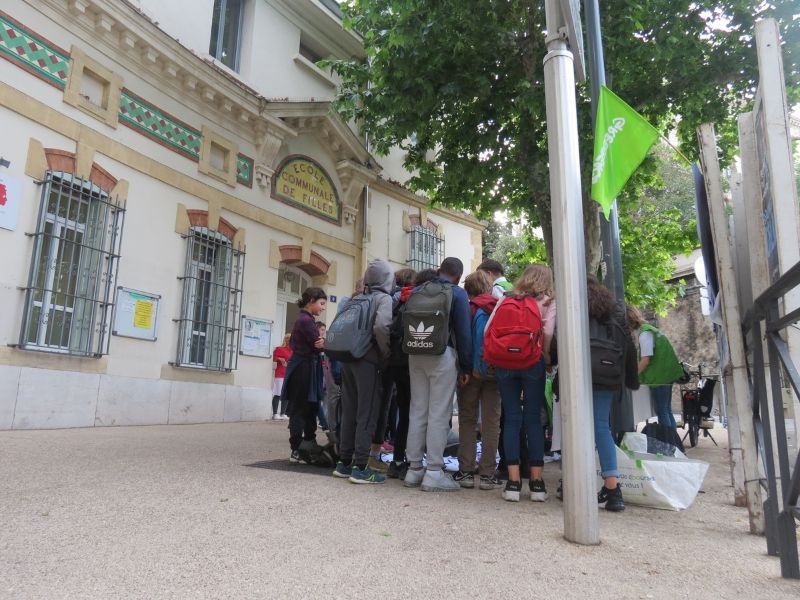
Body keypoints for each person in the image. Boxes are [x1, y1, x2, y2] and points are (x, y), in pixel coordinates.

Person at [404, 257, 472, 492]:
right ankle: (433, 471)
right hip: (443, 355)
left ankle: (413, 469)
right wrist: (466, 366)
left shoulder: (418, 289)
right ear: (459, 276)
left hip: (415, 354)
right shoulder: (457, 293)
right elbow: (463, 333)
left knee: (418, 410)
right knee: (439, 413)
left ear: (440, 270)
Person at [496, 264, 556, 502]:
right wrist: (547, 357)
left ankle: (512, 482)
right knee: (533, 418)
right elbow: (548, 332)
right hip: (533, 361)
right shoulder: (549, 301)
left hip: (505, 361)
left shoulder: (507, 298)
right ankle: (537, 483)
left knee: (511, 418)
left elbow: (493, 328)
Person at [332, 259, 394, 484]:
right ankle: (360, 467)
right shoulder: (383, 298)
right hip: (368, 359)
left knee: (349, 410)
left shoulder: (358, 297)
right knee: (366, 413)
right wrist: (385, 353)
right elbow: (381, 326)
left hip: (348, 357)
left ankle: (344, 462)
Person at [587, 276, 639, 511]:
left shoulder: (573, 304)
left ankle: (575, 482)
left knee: (573, 428)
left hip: (580, 373)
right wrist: (628, 378)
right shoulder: (615, 308)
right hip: (608, 372)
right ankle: (612, 488)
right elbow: (627, 345)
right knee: (601, 428)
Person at [453, 269, 501, 490]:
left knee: (467, 419)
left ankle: (466, 471)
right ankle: (489, 473)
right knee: (492, 422)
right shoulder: (499, 307)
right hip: (495, 371)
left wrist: (466, 368)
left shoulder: (469, 308)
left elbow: (464, 340)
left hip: (471, 373)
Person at [282, 287, 327, 462]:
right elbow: (318, 345)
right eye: (321, 303)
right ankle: (297, 449)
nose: (323, 308)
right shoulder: (306, 321)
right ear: (311, 301)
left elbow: (319, 344)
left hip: (307, 368)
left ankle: (308, 444)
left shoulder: (306, 319)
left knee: (309, 407)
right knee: (301, 408)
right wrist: (326, 342)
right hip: (303, 370)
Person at [382, 268, 417, 480]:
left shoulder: (389, 300)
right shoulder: (416, 298)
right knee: (413, 413)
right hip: (411, 360)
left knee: (398, 411)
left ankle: (396, 459)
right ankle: (412, 461)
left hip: (391, 360)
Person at [627, 306, 683, 431]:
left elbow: (645, 360)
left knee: (662, 411)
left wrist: (633, 376)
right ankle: (674, 443)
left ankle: (669, 442)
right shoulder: (652, 330)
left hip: (658, 378)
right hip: (666, 374)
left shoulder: (645, 333)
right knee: (666, 410)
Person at [271, 334, 292, 420]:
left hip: (289, 374)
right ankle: (275, 413)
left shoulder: (293, 350)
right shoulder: (279, 349)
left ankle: (283, 413)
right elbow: (274, 357)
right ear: (286, 340)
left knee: (287, 394)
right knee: (278, 393)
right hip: (280, 374)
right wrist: (279, 359)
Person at [316, 322, 330, 431]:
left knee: (322, 400)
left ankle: (324, 421)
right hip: (317, 376)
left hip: (325, 376)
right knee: (316, 400)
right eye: (321, 329)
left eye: (324, 330)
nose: (323, 332)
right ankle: (323, 421)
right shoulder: (315, 342)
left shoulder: (325, 343)